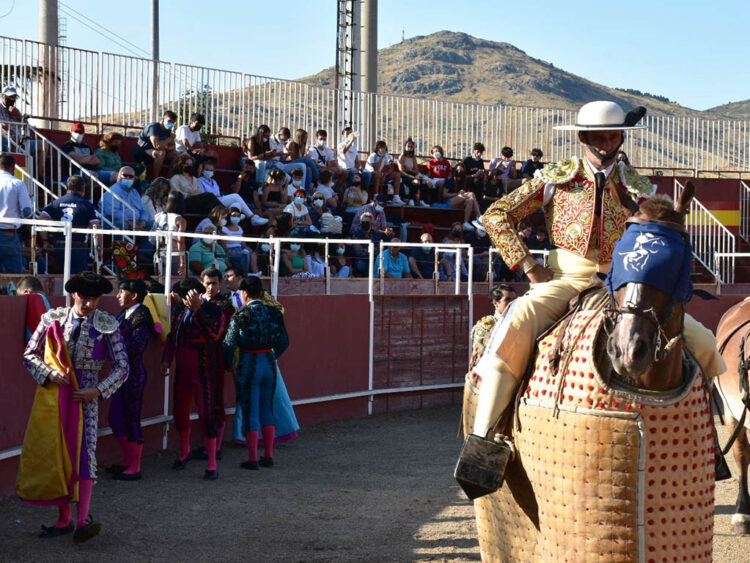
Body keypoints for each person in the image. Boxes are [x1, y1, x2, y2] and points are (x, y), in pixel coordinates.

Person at [471, 100, 725, 441]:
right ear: (584, 138)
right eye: (599, 137)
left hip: (622, 282)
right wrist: (529, 266)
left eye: (613, 137)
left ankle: (705, 437)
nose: (606, 144)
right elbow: (496, 215)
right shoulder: (557, 178)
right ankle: (484, 439)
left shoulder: (638, 188)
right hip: (565, 278)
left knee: (705, 344)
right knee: (515, 325)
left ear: (621, 139)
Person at [19, 272, 128, 543]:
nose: (89, 304)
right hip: (57, 397)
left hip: (86, 400)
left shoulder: (107, 324)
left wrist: (98, 390)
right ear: (73, 295)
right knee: (59, 453)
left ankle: (82, 520)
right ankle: (64, 518)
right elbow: (29, 354)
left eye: (94, 299)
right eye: (84, 298)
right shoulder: (53, 319)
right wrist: (48, 373)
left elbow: (123, 366)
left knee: (84, 454)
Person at [161, 277, 226, 480]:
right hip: (183, 370)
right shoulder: (180, 310)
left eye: (183, 295)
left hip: (204, 370)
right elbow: (173, 337)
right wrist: (166, 360)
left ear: (195, 294)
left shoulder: (214, 310)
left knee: (207, 414)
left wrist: (198, 310)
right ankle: (185, 451)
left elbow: (214, 334)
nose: (181, 299)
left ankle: (212, 463)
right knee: (180, 413)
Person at [223, 276, 289, 469]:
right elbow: (284, 341)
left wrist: (227, 364)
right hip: (268, 362)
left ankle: (252, 458)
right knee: (267, 407)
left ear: (244, 293)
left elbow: (228, 344)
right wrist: (270, 355)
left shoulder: (241, 315)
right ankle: (268, 455)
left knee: (250, 409)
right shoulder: (274, 313)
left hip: (249, 362)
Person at [107, 279, 155, 481]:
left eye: (122, 292)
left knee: (131, 418)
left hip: (132, 374)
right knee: (117, 417)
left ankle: (135, 466)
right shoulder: (125, 315)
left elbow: (137, 347)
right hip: (121, 374)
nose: (118, 295)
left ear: (134, 295)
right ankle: (128, 460)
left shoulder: (141, 316)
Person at [39, 175, 99, 274]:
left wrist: (45, 241)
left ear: (67, 188)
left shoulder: (55, 203)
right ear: (83, 189)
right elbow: (96, 227)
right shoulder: (87, 205)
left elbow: (41, 220)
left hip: (59, 246)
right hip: (78, 247)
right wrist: (98, 248)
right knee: (78, 280)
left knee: (61, 277)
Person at [199, 159, 267, 225]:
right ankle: (253, 217)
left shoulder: (214, 182)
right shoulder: (199, 181)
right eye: (207, 170)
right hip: (211, 203)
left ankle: (233, 229)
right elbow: (203, 196)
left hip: (219, 200)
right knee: (235, 196)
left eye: (211, 170)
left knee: (237, 205)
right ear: (202, 171)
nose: (209, 172)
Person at [469, 284, 518, 370]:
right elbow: (482, 354)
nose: (512, 303)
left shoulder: (519, 321)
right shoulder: (486, 325)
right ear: (495, 302)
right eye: (508, 300)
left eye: (514, 300)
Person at [0, 153, 32, 273]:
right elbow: (27, 211)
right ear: (12, 168)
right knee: (13, 275)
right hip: (8, 235)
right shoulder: (17, 183)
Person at [97, 166, 148, 231]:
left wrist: (142, 222)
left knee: (151, 224)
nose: (127, 178)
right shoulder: (112, 191)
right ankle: (123, 241)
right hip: (114, 223)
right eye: (125, 175)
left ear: (134, 179)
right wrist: (132, 225)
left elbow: (143, 210)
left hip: (135, 223)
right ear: (118, 176)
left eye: (130, 176)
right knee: (122, 224)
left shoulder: (135, 192)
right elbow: (113, 212)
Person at [152, 191, 187, 276]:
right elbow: (180, 241)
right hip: (174, 254)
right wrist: (183, 262)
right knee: (175, 282)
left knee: (160, 282)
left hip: (159, 251)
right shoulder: (180, 220)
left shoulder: (158, 216)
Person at [134, 110, 178, 176]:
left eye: (173, 122)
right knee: (161, 153)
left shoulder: (168, 131)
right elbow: (157, 146)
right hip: (143, 151)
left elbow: (173, 148)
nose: (171, 124)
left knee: (177, 154)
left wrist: (165, 146)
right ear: (163, 119)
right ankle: (155, 179)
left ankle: (169, 179)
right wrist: (170, 139)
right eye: (169, 121)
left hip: (156, 153)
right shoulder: (153, 127)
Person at [222, 204, 256, 274]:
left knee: (252, 254)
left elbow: (243, 244)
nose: (236, 218)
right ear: (229, 216)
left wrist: (250, 250)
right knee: (243, 255)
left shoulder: (240, 228)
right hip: (230, 251)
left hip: (240, 249)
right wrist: (233, 252)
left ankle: (255, 273)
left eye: (238, 216)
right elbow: (224, 247)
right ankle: (244, 274)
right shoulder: (224, 229)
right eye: (233, 216)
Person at [398, 137, 431, 206]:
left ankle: (422, 200)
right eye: (408, 146)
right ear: (405, 147)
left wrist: (410, 170)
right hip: (405, 176)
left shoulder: (413, 157)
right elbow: (401, 171)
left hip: (412, 174)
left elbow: (416, 170)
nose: (410, 148)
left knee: (424, 182)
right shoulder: (402, 157)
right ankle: (411, 200)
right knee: (415, 182)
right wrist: (411, 175)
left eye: (411, 147)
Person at [0, 86, 24, 152]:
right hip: (4, 139)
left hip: (20, 141)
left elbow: (26, 126)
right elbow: (2, 125)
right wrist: (10, 132)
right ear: (3, 96)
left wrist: (19, 116)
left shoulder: (16, 111)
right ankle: (13, 161)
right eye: (10, 96)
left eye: (14, 97)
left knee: (41, 144)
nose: (12, 99)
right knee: (15, 138)